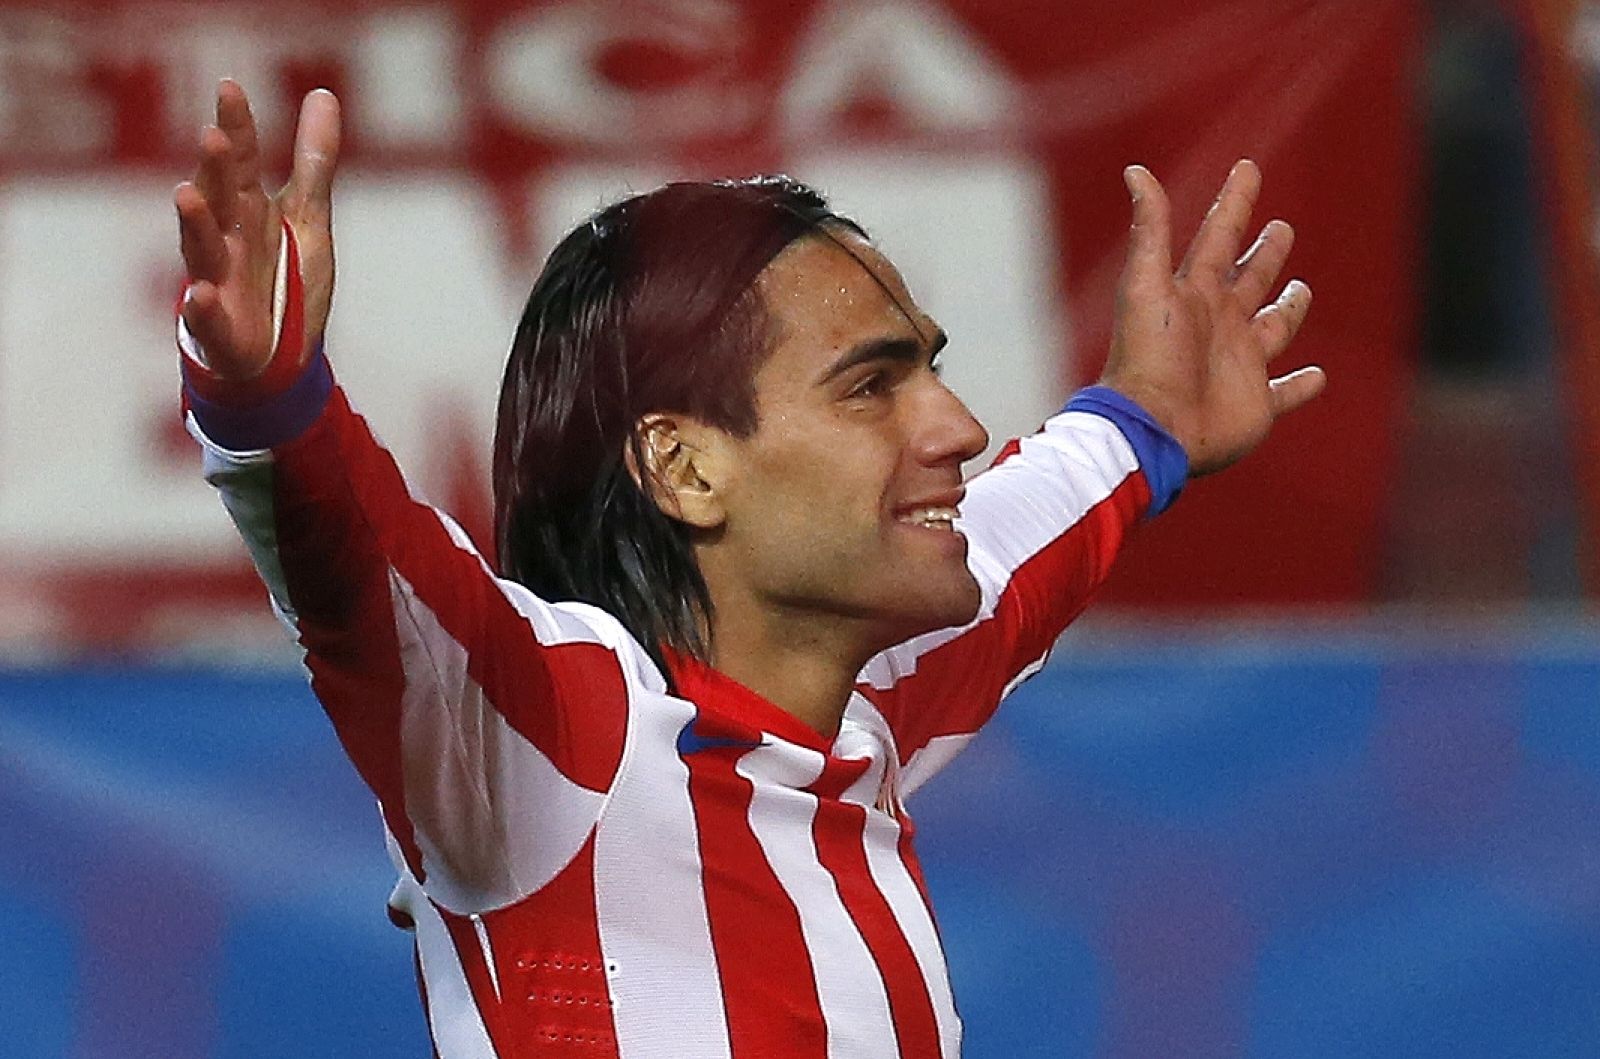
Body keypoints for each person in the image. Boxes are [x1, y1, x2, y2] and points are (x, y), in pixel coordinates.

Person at [174, 80, 1319, 1058]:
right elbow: (361, 576)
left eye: (931, 369)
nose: (960, 427)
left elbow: (1035, 532)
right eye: (873, 385)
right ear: (680, 466)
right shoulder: (552, 745)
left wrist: (1142, 426)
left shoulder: (866, 710)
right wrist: (269, 407)